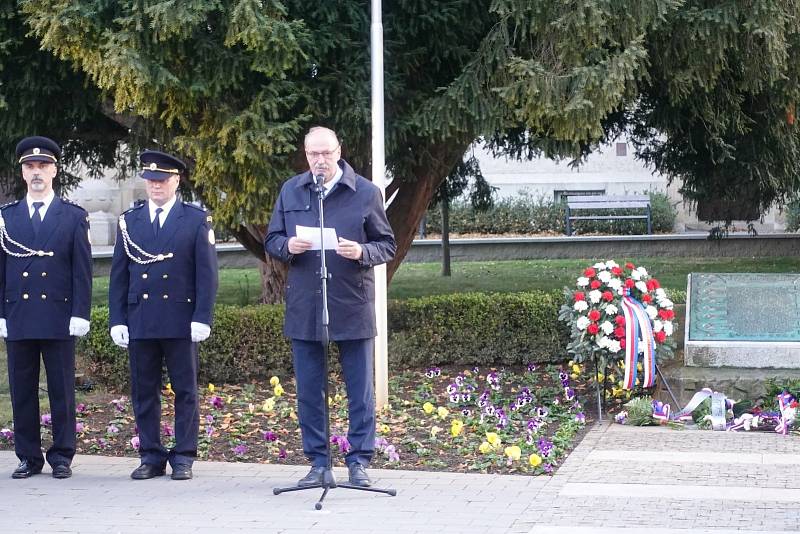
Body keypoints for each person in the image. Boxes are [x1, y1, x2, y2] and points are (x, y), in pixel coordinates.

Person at [265, 126, 395, 488]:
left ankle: (358, 462)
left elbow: (387, 244)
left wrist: (362, 252)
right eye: (312, 155)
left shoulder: (366, 192)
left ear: (339, 151)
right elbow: (272, 239)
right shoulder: (292, 190)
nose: (319, 161)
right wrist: (287, 245)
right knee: (309, 390)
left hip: (351, 302)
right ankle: (319, 462)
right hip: (307, 305)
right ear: (305, 155)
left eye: (326, 153)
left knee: (360, 390)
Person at [108, 150, 218, 481]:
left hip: (180, 319)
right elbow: (119, 274)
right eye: (151, 180)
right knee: (144, 391)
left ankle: (183, 455)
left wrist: (202, 316)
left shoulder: (196, 220)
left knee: (185, 390)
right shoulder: (130, 221)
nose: (156, 186)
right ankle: (151, 456)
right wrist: (117, 318)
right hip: (142, 318)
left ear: (176, 181)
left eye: (163, 180)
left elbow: (207, 274)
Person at [0, 136, 92, 479]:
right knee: (22, 390)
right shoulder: (6, 218)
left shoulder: (71, 216)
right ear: (22, 173)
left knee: (61, 389)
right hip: (19, 315)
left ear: (54, 170)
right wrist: (1, 314)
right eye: (29, 166)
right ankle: (28, 456)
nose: (36, 172)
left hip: (57, 315)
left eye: (42, 166)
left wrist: (80, 312)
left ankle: (62, 456)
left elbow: (82, 271)